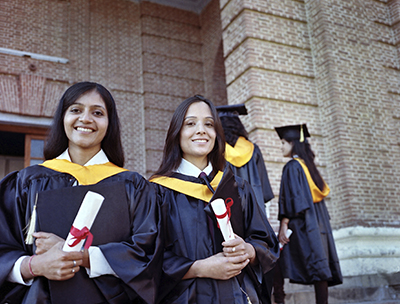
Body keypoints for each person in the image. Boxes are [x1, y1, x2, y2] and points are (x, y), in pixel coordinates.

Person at [0, 82, 162, 304]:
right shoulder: (27, 182)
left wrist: (82, 256)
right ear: (62, 118)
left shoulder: (133, 186)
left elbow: (149, 255)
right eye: (75, 110)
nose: (86, 119)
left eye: (97, 112)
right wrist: (34, 265)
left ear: (109, 123)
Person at [150, 95, 279, 304]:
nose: (201, 130)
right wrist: (199, 268)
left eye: (209, 124)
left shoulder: (238, 188)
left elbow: (265, 241)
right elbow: (147, 258)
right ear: (176, 133)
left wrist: (250, 250)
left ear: (217, 134)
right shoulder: (157, 192)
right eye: (190, 123)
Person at [273, 124, 342, 304]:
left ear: (292, 144)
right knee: (319, 264)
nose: (280, 147)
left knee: (276, 260)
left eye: (282, 143)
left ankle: (278, 301)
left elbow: (292, 198)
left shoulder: (292, 166)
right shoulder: (309, 167)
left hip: (299, 223)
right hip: (316, 223)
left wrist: (284, 224)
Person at [216, 104, 276, 304]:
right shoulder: (253, 149)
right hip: (256, 214)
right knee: (255, 254)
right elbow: (265, 191)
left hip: (229, 213)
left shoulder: (218, 149)